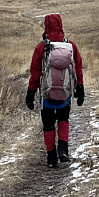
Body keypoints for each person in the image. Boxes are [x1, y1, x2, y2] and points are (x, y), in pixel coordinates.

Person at [25, 13, 85, 168]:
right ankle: (63, 149)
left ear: (46, 26)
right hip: (65, 93)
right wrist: (80, 87)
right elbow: (78, 67)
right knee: (64, 119)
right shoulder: (70, 46)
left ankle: (51, 157)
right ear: (61, 25)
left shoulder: (41, 47)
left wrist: (30, 93)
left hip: (46, 95)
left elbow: (35, 73)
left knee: (48, 124)